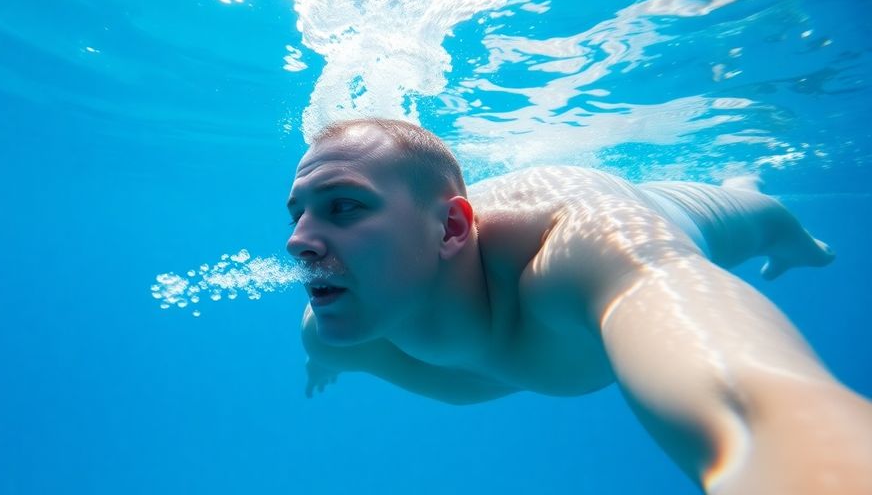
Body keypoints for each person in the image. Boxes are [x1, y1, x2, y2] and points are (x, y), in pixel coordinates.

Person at [285, 118, 872, 494]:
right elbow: (326, 343)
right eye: (298, 214)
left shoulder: (580, 252)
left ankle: (770, 214)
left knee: (768, 224)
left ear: (451, 228)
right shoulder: (337, 328)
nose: (297, 241)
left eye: (344, 206)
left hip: (615, 206)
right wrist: (322, 363)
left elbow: (743, 394)